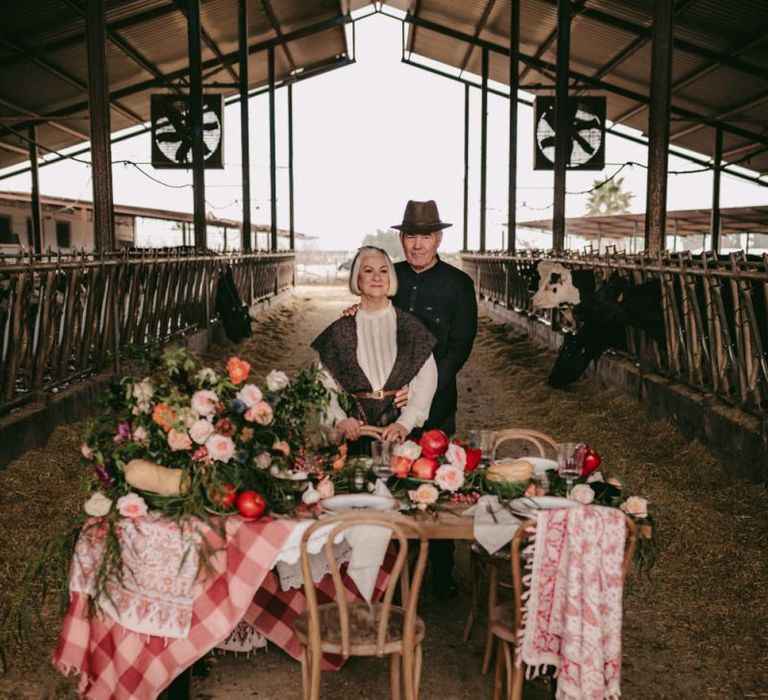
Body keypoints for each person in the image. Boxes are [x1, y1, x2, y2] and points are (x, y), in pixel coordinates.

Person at [346, 200, 478, 597]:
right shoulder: (390, 277)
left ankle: (440, 573)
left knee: (433, 478)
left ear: (438, 239)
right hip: (384, 406)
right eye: (411, 236)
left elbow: (459, 346)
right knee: (383, 477)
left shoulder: (458, 285)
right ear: (401, 239)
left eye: (425, 236)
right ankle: (386, 571)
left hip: (434, 402)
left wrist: (425, 387)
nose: (418, 244)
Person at [311, 246, 438, 450]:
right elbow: (323, 387)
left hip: (398, 428)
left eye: (384, 271)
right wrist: (338, 420)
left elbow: (427, 382)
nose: (377, 277)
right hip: (354, 430)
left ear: (391, 278)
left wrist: (405, 423)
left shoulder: (411, 327)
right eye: (368, 271)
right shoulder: (340, 331)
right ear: (357, 279)